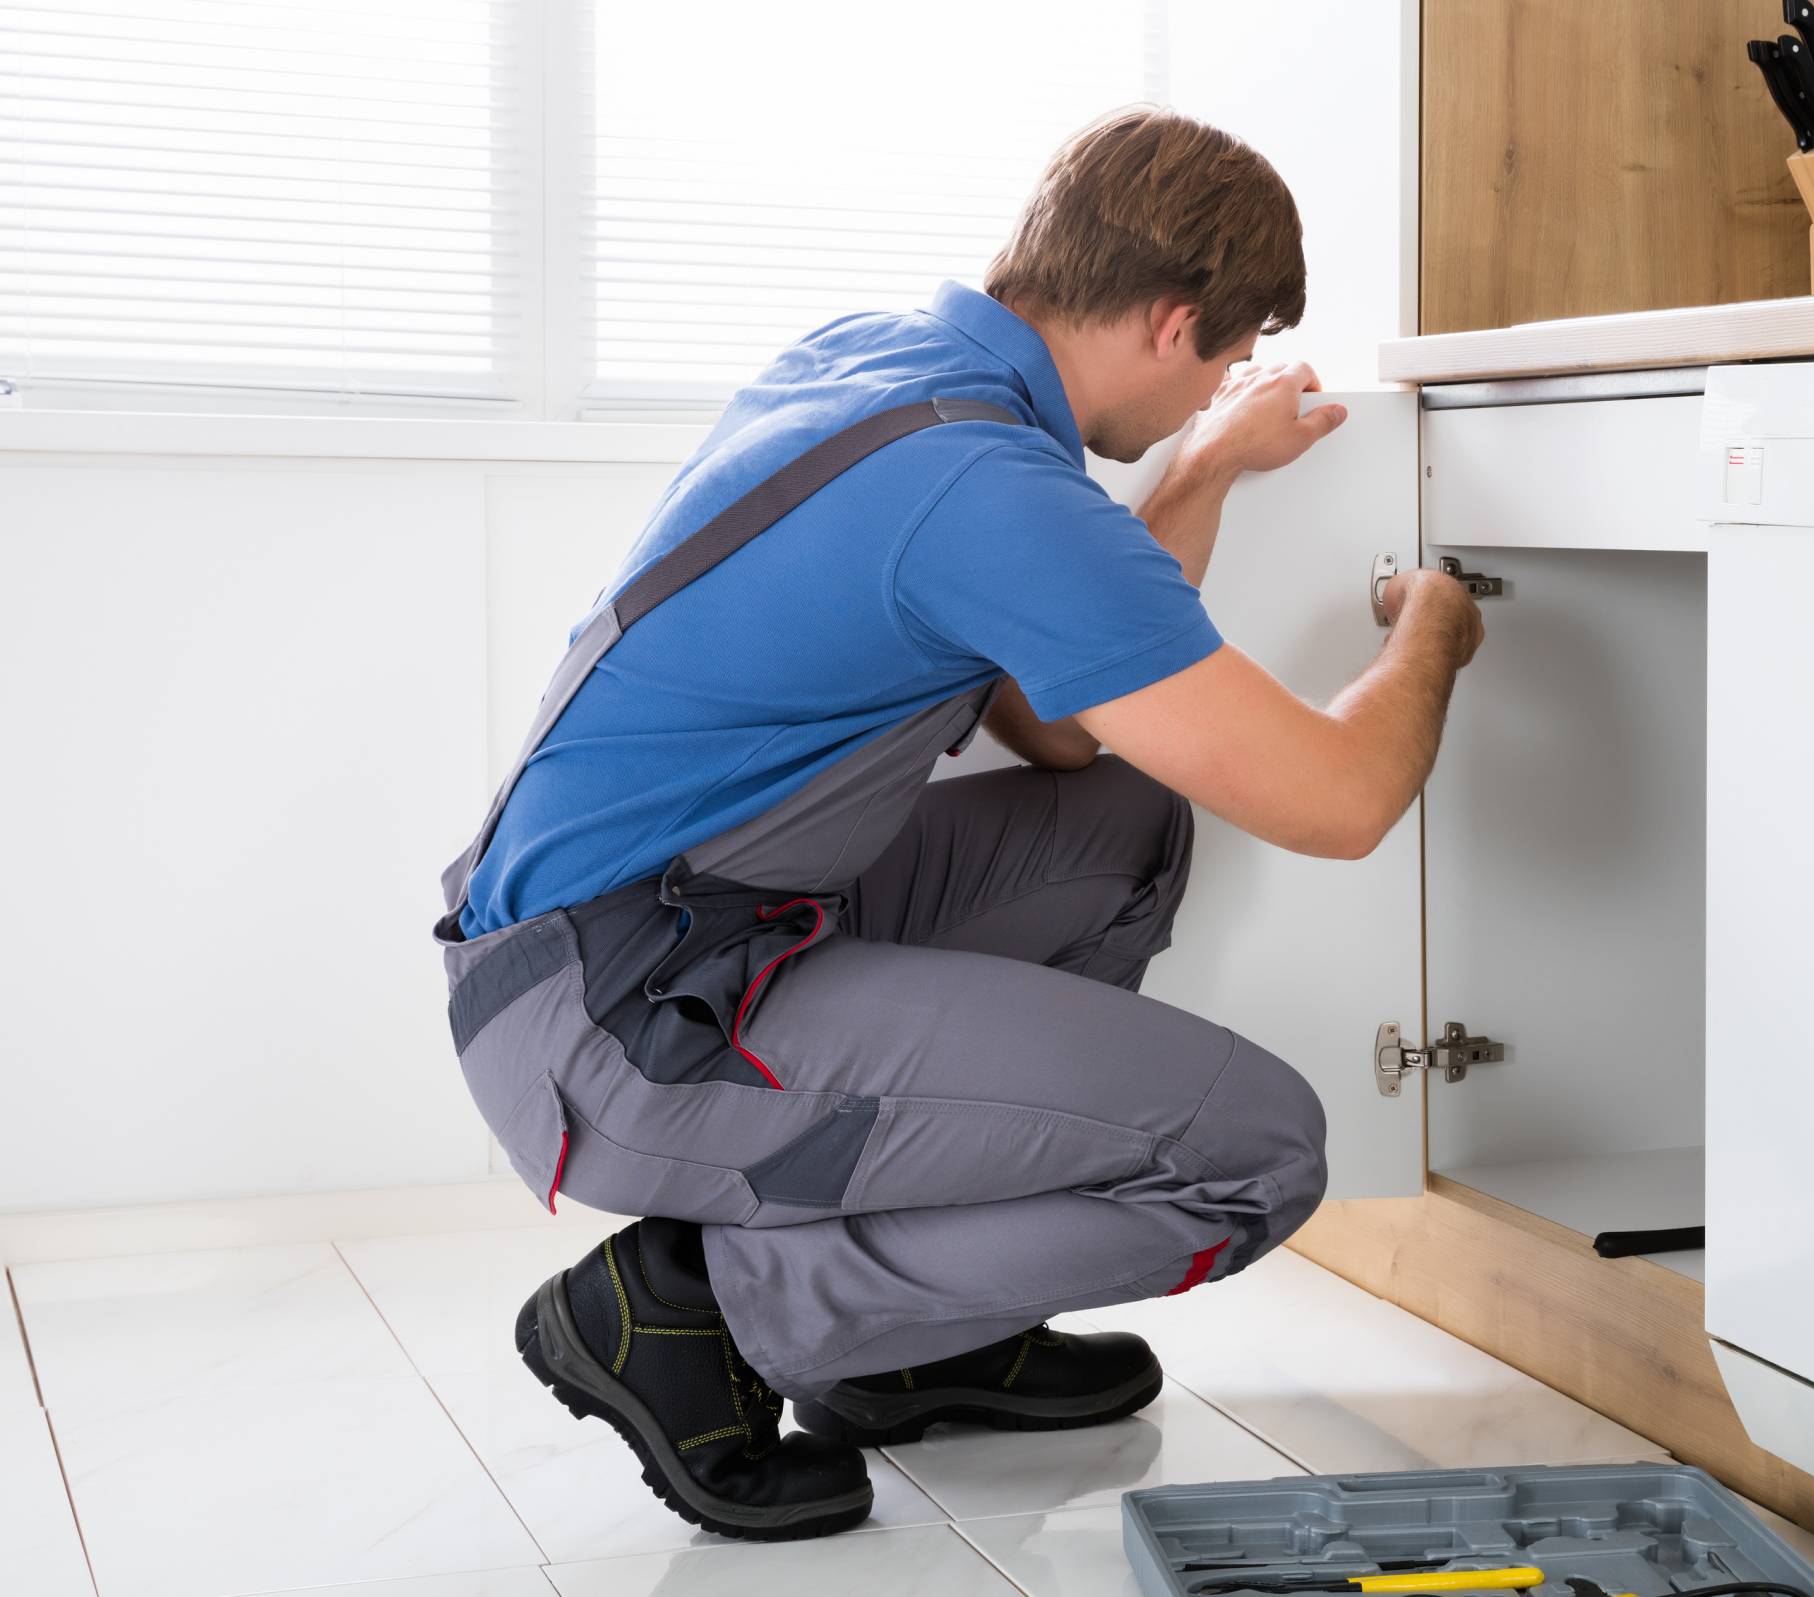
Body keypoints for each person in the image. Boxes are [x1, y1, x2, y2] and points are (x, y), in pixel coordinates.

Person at [426, 106, 1484, 1543]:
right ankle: (708, 1310)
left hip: (635, 936)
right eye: (1225, 359)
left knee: (1121, 826)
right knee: (1257, 1155)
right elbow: (1343, 800)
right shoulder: (989, 491)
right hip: (629, 1023)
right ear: (1174, 324)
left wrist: (1206, 469)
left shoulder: (888, 370)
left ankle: (917, 1340)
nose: (1215, 388)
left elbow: (1058, 731)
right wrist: (1436, 626)